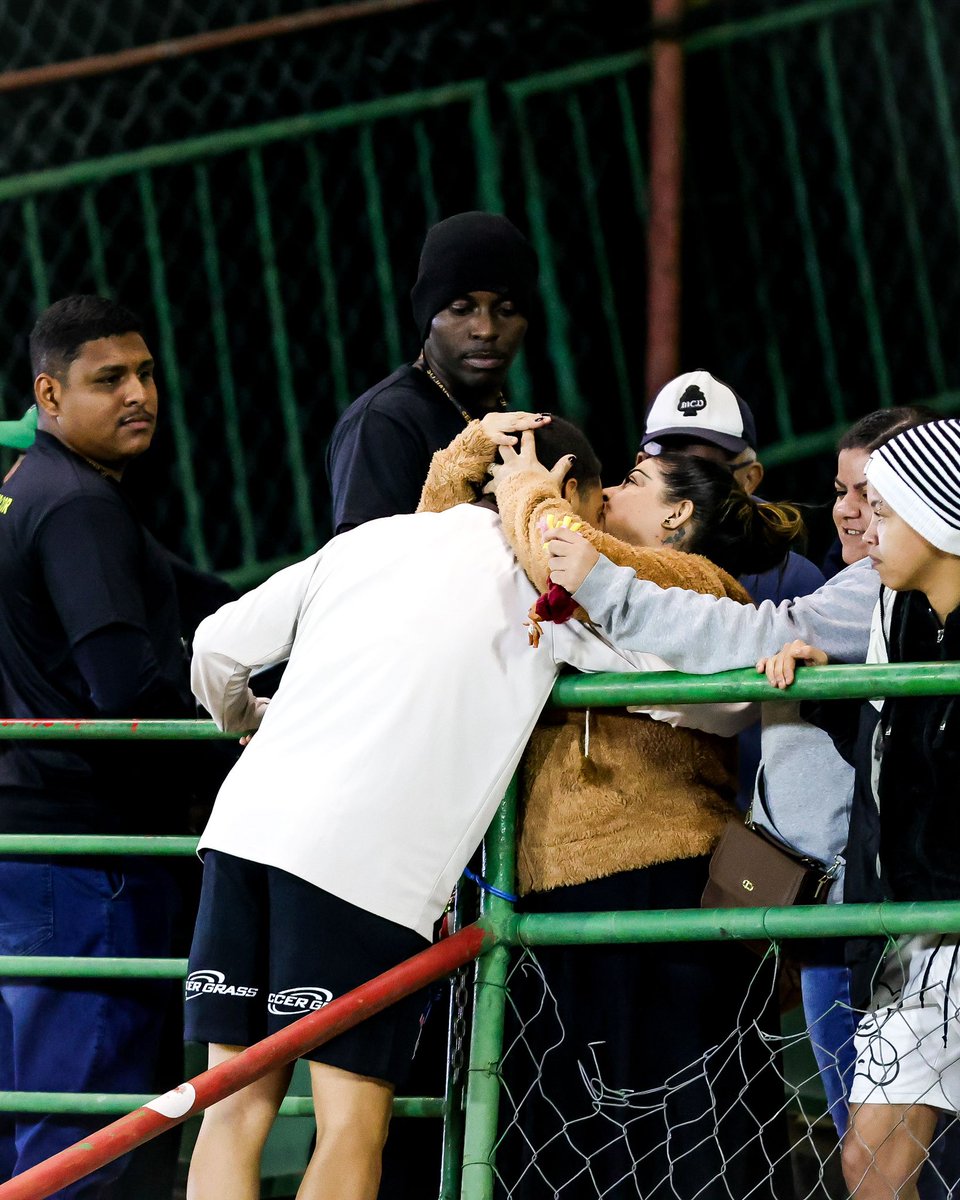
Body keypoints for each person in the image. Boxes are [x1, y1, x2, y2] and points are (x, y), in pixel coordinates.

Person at [183, 415, 698, 1200]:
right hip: (363, 866)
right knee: (350, 1127)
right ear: (564, 492)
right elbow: (687, 695)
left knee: (231, 1113)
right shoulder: (548, 581)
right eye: (595, 510)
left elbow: (215, 648)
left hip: (244, 832)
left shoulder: (370, 539)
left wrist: (253, 720)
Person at [418, 424, 805, 1198]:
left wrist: (530, 489)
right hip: (553, 889)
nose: (612, 490)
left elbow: (577, 558)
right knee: (572, 1138)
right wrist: (465, 456)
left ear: (675, 516)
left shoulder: (694, 580)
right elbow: (436, 557)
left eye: (635, 480)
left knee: (690, 1132)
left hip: (661, 881)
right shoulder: (557, 564)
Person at [0, 295, 232, 1198]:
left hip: (36, 849)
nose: (139, 394)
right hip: (89, 860)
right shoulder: (78, 507)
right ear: (49, 393)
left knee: (41, 1114)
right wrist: (242, 748)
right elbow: (126, 690)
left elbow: (196, 593)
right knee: (90, 1130)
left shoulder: (33, 486)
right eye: (109, 380)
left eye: (144, 373)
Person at [756, 418, 960, 1200]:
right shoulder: (890, 616)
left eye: (887, 511)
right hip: (916, 938)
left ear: (941, 518)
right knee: (869, 1164)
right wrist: (821, 676)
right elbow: (888, 768)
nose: (866, 528)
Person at [637, 367, 826, 810]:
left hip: (753, 832)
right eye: (667, 463)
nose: (684, 484)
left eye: (705, 469)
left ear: (750, 478)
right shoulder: (607, 559)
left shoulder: (794, 581)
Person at [325, 210, 538, 534]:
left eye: (506, 310)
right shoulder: (384, 422)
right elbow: (366, 570)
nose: (486, 329)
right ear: (428, 316)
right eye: (461, 309)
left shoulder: (507, 413)